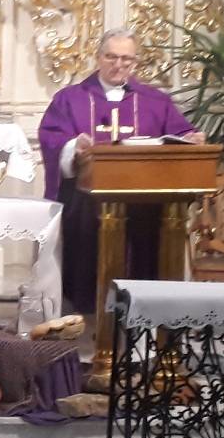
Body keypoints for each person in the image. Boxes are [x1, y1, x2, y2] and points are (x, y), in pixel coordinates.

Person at [37, 28, 202, 314]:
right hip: (87, 200)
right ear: (98, 57)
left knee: (156, 222)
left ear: (135, 61)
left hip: (146, 198)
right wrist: (74, 147)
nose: (119, 65)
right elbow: (52, 139)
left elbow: (180, 134)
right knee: (83, 218)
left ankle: (146, 306)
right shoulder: (70, 98)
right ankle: (90, 308)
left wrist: (191, 138)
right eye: (111, 57)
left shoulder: (155, 100)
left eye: (127, 59)